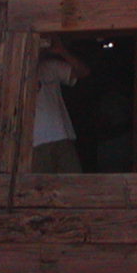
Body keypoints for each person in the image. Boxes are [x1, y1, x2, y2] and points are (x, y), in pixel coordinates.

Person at [33, 36, 90, 172]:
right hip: (35, 142)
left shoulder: (51, 67)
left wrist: (61, 51)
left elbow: (83, 72)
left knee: (73, 184)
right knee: (42, 187)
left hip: (61, 135)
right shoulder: (16, 70)